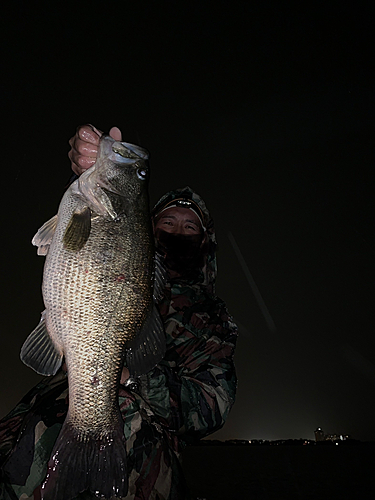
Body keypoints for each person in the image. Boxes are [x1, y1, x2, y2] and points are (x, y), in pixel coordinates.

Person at [0, 125, 238, 500]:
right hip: (39, 421)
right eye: (167, 222)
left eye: (190, 226)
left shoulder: (210, 319)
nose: (178, 230)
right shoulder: (111, 221)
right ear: (146, 228)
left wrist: (129, 378)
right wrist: (88, 168)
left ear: (205, 242)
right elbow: (85, 231)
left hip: (140, 451)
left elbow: (213, 408)